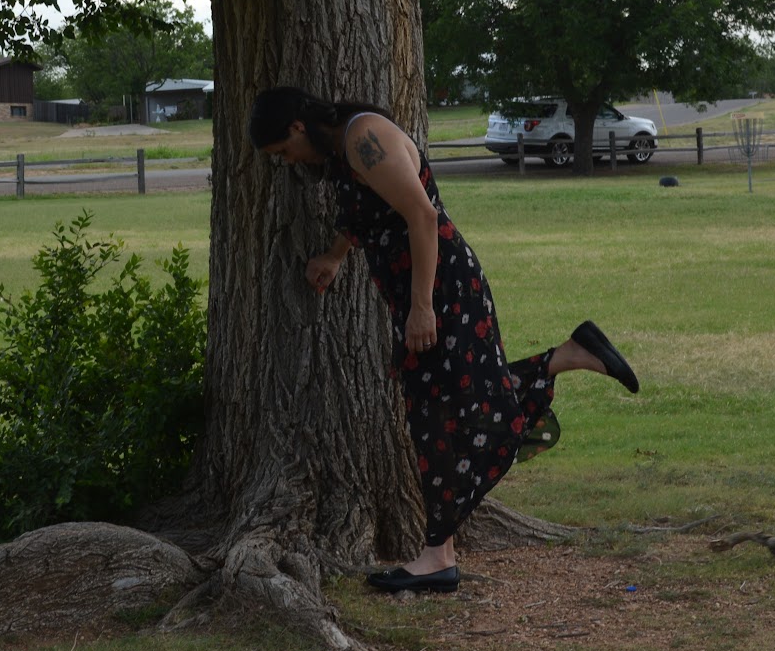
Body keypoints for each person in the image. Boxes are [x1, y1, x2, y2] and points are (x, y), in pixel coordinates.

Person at [249, 86, 639, 594]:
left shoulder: (364, 135)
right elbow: (372, 207)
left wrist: (422, 307)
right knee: (445, 410)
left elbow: (422, 215)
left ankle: (437, 556)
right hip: (424, 295)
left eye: (282, 152)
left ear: (297, 127)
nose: (286, 162)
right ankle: (564, 358)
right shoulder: (345, 148)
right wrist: (336, 255)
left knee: (447, 416)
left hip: (443, 292)